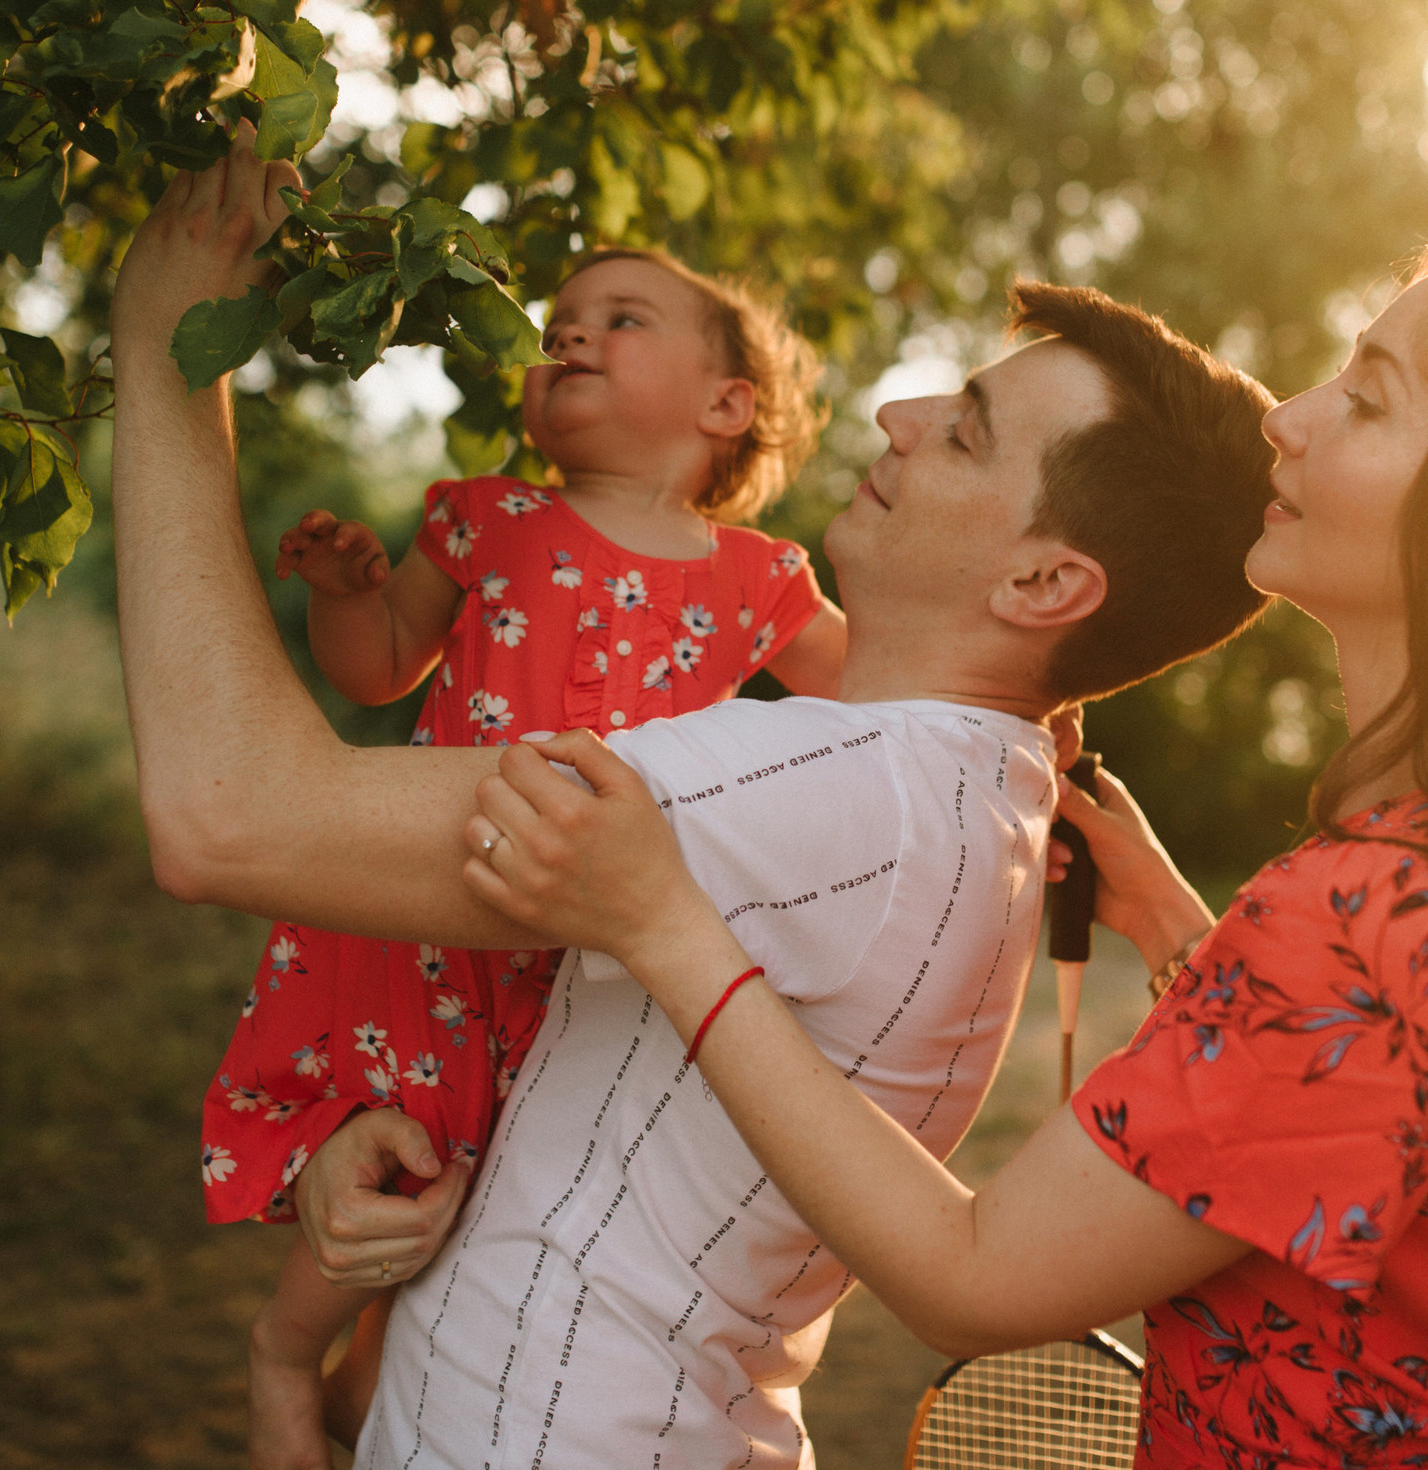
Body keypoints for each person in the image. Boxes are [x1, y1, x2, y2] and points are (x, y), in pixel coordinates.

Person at [107, 129, 1278, 1469]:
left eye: (962, 431)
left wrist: (166, 347)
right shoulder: (966, 791)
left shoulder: (819, 789)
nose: (896, 416)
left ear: (1042, 586)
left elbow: (228, 813)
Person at [458, 230, 1428, 1470]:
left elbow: (971, 1274)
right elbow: (1379, 1103)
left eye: (1368, 402)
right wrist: (1174, 926)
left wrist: (667, 927)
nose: (1288, 418)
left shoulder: (1373, 911)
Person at [208, 244, 845, 1468]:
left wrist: (1027, 716)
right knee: (405, 1151)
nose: (569, 335)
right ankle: (285, 1351)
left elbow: (890, 702)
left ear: (726, 403)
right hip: (440, 919)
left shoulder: (760, 581)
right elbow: (376, 667)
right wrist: (346, 596)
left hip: (594, 964)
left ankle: (361, 1397)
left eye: (621, 317)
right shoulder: (487, 517)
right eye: (558, 323)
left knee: (487, 1204)